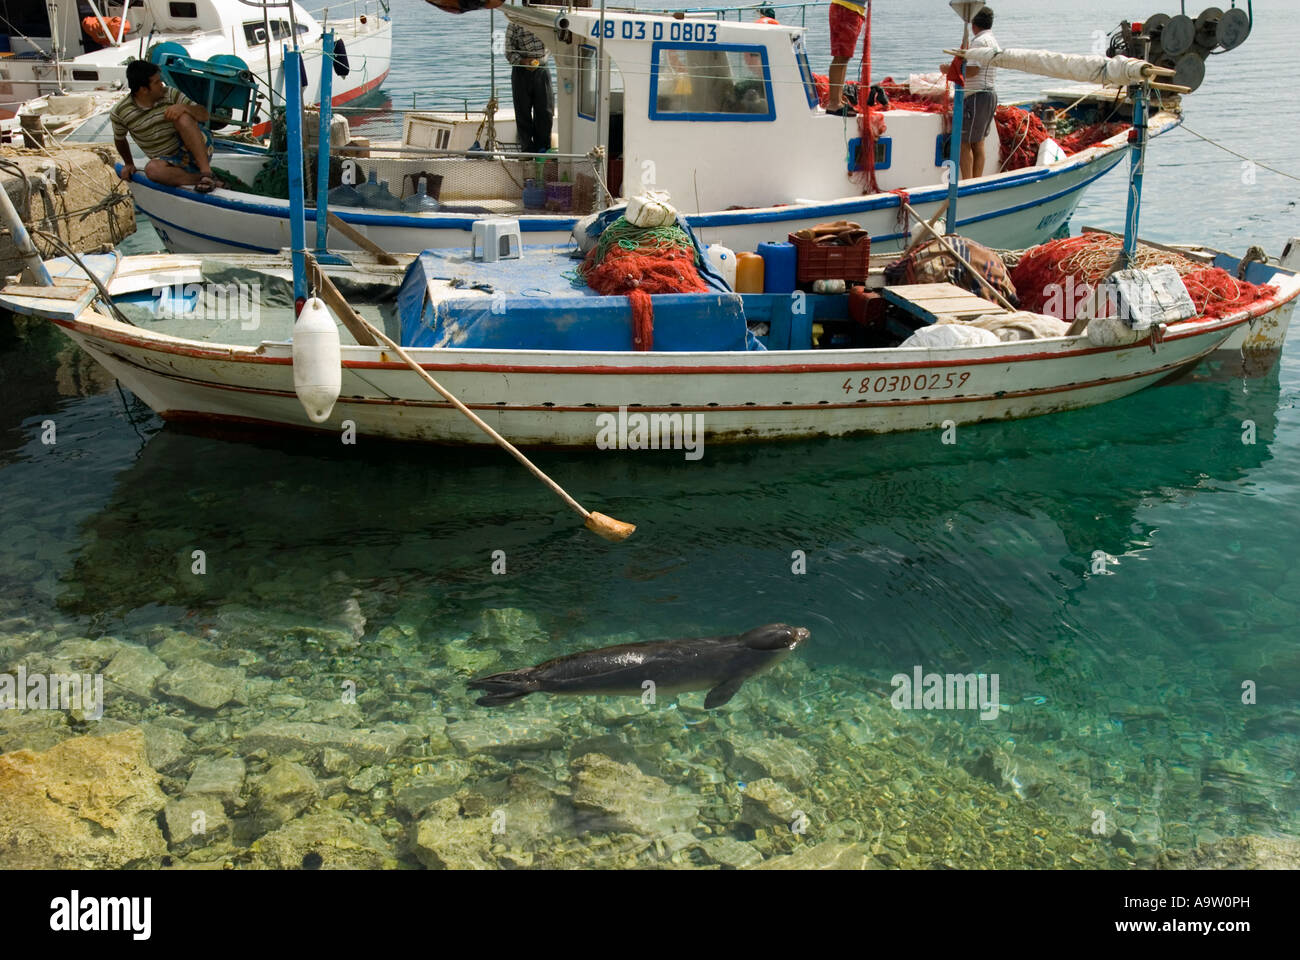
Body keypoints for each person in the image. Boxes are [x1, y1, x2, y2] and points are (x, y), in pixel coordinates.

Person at [112, 60, 224, 192]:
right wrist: (129, 163)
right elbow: (120, 138)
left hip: (198, 149)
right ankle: (203, 179)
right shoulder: (120, 112)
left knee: (182, 117)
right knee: (152, 170)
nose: (161, 85)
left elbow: (204, 115)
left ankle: (206, 172)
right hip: (167, 161)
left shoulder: (170, 94)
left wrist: (184, 107)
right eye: (156, 82)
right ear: (143, 90)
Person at [947, 7, 999, 179]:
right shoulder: (992, 41)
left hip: (976, 96)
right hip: (989, 94)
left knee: (964, 142)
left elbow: (973, 69)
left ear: (973, 24)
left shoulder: (979, 42)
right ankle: (975, 182)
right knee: (979, 142)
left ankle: (968, 183)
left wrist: (948, 70)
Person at [506, 22, 553, 154]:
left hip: (542, 69)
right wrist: (523, 61)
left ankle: (543, 150)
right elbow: (509, 52)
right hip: (521, 71)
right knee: (522, 112)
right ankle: (526, 150)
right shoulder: (514, 23)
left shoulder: (545, 21)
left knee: (545, 111)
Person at [826, 0, 866, 117]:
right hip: (846, 9)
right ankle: (834, 103)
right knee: (840, 56)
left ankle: (838, 100)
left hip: (851, 9)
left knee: (844, 57)